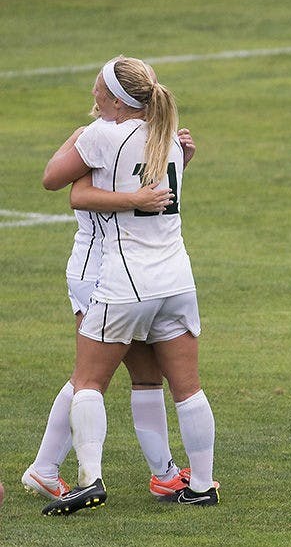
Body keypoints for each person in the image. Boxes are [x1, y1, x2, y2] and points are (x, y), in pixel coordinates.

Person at [39, 55, 218, 515]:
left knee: (87, 382)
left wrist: (82, 134)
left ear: (116, 99)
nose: (93, 93)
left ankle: (89, 479)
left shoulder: (103, 135)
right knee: (188, 388)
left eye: (98, 87)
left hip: (126, 281)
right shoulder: (172, 140)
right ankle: (199, 485)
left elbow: (56, 182)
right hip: (177, 279)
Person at [23, 125, 200, 504]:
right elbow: (56, 181)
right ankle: (46, 468)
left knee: (144, 373)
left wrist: (178, 161)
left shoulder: (141, 137)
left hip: (127, 273)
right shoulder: (96, 136)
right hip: (99, 270)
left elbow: (149, 198)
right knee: (89, 376)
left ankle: (163, 473)